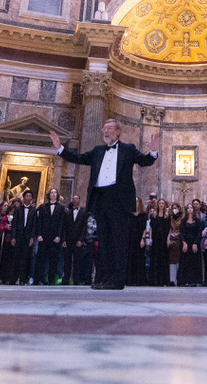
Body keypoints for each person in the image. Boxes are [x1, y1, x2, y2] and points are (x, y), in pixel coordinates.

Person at [50, 119, 159, 290]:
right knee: (104, 242)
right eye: (104, 129)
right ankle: (104, 278)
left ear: (118, 132)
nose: (105, 131)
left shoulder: (128, 149)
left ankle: (117, 280)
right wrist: (60, 149)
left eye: (109, 129)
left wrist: (153, 152)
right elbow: (78, 158)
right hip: (100, 198)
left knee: (118, 241)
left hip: (119, 199)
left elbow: (145, 161)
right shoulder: (97, 150)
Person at [36, 187, 66, 285]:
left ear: (57, 195)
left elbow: (61, 223)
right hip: (43, 237)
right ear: (49, 195)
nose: (53, 194)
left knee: (53, 260)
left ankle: (51, 280)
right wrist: (39, 234)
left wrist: (59, 236)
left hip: (55, 238)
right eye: (51, 192)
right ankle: (40, 279)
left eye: (55, 192)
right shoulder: (42, 207)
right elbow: (39, 221)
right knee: (41, 259)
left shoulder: (61, 208)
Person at [63, 194, 89, 285]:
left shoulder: (83, 211)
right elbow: (65, 227)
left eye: (76, 198)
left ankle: (76, 279)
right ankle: (66, 279)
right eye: (73, 198)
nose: (75, 200)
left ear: (79, 200)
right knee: (67, 261)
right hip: (69, 239)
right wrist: (64, 240)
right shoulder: (68, 212)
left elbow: (84, 227)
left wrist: (81, 240)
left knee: (77, 261)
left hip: (78, 239)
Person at [179, 203, 203, 286]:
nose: (190, 209)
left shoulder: (197, 221)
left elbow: (199, 233)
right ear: (186, 210)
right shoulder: (183, 221)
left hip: (194, 243)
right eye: (188, 207)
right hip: (186, 243)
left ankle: (193, 280)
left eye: (191, 208)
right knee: (186, 262)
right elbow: (181, 232)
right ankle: (185, 280)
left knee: (194, 262)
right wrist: (184, 242)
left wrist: (195, 243)